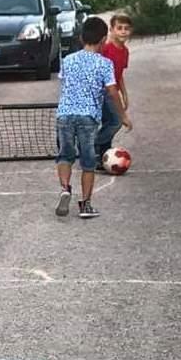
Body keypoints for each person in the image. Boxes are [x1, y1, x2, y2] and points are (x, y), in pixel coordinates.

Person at [54, 16, 132, 219]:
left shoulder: (68, 60)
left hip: (64, 115)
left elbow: (64, 83)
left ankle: (65, 188)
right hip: (87, 117)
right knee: (88, 162)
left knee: (65, 156)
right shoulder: (105, 63)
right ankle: (85, 205)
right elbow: (112, 91)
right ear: (103, 39)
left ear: (81, 38)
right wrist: (122, 115)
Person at [96, 14, 133, 170]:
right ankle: (92, 145)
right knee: (116, 121)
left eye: (126, 28)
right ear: (111, 30)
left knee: (108, 122)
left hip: (114, 90)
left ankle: (101, 156)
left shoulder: (125, 51)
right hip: (103, 91)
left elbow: (119, 74)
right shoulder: (106, 49)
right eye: (119, 28)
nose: (123, 31)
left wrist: (124, 93)